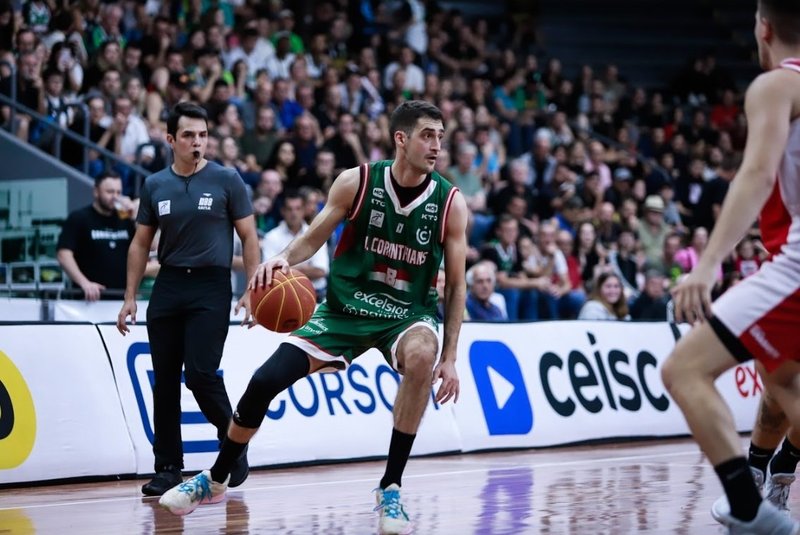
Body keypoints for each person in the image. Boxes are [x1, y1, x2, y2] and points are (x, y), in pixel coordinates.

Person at [158, 100, 468, 535]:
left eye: (440, 136)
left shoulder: (450, 203)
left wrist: (450, 355)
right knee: (263, 381)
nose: (437, 145)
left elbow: (456, 285)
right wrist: (281, 259)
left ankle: (391, 486)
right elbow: (311, 237)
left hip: (405, 315)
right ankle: (216, 479)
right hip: (343, 310)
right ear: (402, 139)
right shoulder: (357, 182)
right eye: (427, 135)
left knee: (421, 357)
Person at [661, 1, 800, 531]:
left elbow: (757, 173)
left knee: (684, 369)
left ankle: (750, 509)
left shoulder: (775, 86)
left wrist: (707, 264)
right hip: (783, 260)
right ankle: (763, 490)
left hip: (795, 264)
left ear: (763, 30)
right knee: (784, 382)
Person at [116, 102, 261, 497]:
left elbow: (249, 237)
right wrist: (130, 296)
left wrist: (250, 288)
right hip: (169, 285)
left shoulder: (228, 180)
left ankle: (234, 444)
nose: (197, 142)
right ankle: (167, 468)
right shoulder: (154, 185)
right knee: (163, 382)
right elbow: (140, 242)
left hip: (211, 286)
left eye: (202, 135)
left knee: (199, 375)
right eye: (188, 136)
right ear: (170, 140)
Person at [56, 172, 135, 301]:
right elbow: (63, 255)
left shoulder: (126, 219)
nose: (115, 197)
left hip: (122, 298)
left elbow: (153, 247)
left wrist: (136, 217)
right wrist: (84, 283)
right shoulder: (79, 218)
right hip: (88, 299)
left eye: (118, 192)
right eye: (110, 192)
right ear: (96, 192)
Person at [261, 190, 329, 301]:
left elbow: (321, 271)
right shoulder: (271, 237)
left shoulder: (316, 234)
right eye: (289, 209)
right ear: (283, 211)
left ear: (304, 210)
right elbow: (270, 272)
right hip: (282, 295)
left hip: (316, 294)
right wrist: (306, 269)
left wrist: (283, 268)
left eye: (298, 208)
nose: (294, 213)